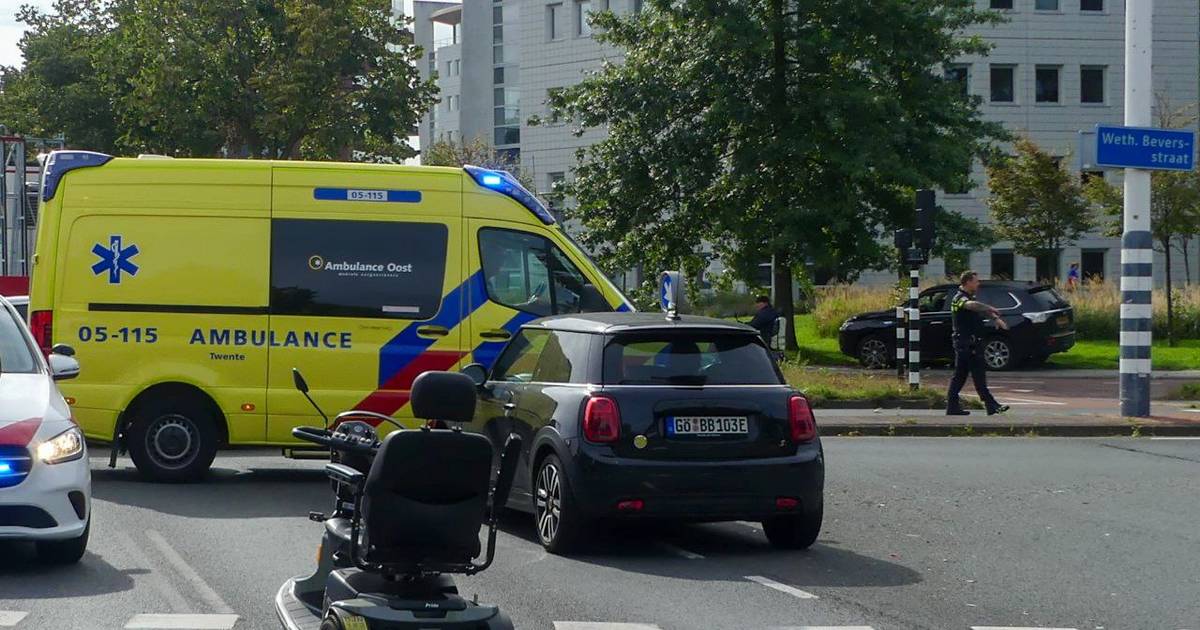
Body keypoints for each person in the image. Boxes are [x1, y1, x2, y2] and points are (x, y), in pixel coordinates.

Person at [946, 271, 1011, 416]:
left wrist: (995, 318)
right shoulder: (959, 298)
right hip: (966, 344)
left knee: (960, 376)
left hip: (969, 343)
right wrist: (990, 307)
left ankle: (953, 407)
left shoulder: (970, 296)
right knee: (977, 374)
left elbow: (978, 309)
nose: (978, 283)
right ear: (968, 282)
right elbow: (972, 306)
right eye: (976, 281)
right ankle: (991, 404)